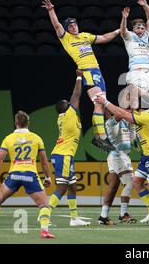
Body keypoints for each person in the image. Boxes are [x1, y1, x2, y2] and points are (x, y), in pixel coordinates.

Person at [42, 0, 119, 152]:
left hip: (97, 71)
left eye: (75, 24)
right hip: (87, 71)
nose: (73, 27)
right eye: (70, 26)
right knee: (99, 102)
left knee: (101, 104)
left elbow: (103, 38)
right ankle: (101, 137)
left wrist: (118, 31)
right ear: (67, 29)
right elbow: (57, 25)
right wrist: (51, 10)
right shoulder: (66, 39)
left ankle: (100, 136)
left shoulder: (85, 36)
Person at [94, 93, 149, 227]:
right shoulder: (111, 122)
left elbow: (127, 118)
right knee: (134, 183)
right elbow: (121, 114)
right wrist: (106, 103)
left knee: (134, 183)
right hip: (121, 156)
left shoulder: (142, 117)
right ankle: (130, 213)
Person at [0, 111, 55, 239]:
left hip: (14, 175)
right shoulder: (36, 138)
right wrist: (48, 177)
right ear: (28, 123)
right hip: (30, 175)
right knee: (44, 205)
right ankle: (44, 231)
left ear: (15, 123)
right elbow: (44, 162)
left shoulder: (8, 139)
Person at [47, 70, 90, 227]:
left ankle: (74, 218)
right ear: (66, 108)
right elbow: (76, 94)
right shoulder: (69, 114)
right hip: (63, 155)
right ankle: (44, 214)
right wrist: (79, 76)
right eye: (68, 103)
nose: (71, 103)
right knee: (63, 187)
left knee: (72, 186)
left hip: (66, 155)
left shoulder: (67, 117)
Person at [98, 110, 136, 225]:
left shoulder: (123, 121)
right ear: (108, 114)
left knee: (113, 187)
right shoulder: (110, 122)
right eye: (112, 110)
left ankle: (103, 216)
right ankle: (123, 214)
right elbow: (121, 114)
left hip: (118, 156)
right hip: (118, 156)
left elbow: (131, 122)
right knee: (130, 183)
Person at [119, 0, 149, 96]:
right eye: (138, 27)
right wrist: (124, 18)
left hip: (145, 72)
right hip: (135, 71)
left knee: (144, 99)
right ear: (133, 29)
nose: (141, 29)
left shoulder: (146, 36)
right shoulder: (130, 36)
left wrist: (145, 5)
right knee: (133, 98)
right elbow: (122, 30)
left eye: (143, 28)